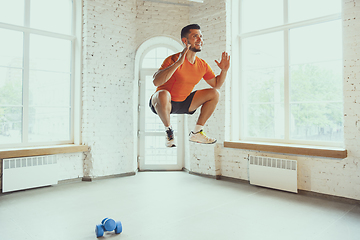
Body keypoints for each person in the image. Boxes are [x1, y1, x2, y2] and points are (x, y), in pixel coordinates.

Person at [149, 24, 230, 147]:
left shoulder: (202, 65)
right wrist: (178, 63)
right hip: (163, 102)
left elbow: (217, 84)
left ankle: (197, 132)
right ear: (185, 40)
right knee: (163, 93)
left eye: (201, 37)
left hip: (184, 103)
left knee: (215, 93)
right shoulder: (173, 59)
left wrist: (224, 70)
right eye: (195, 36)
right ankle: (169, 132)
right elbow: (156, 82)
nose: (200, 40)